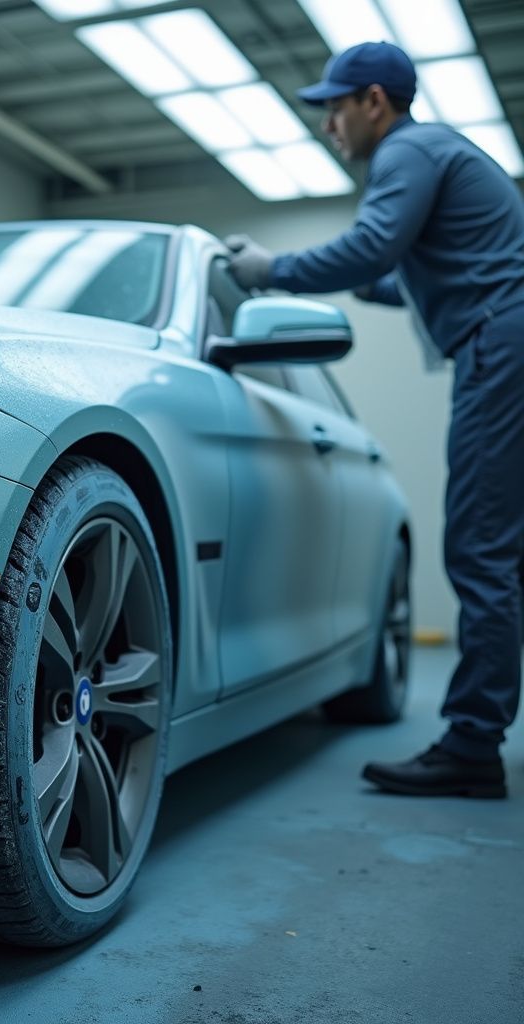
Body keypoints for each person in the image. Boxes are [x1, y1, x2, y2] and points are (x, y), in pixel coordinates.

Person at [226, 41, 524, 798]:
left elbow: (368, 248)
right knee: (503, 551)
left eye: (335, 106)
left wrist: (272, 271)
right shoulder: (438, 153)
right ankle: (478, 735)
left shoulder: (408, 150)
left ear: (374, 103)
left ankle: (471, 747)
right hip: (504, 332)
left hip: (500, 340)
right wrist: (371, 282)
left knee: (480, 548)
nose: (329, 123)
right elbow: (402, 270)